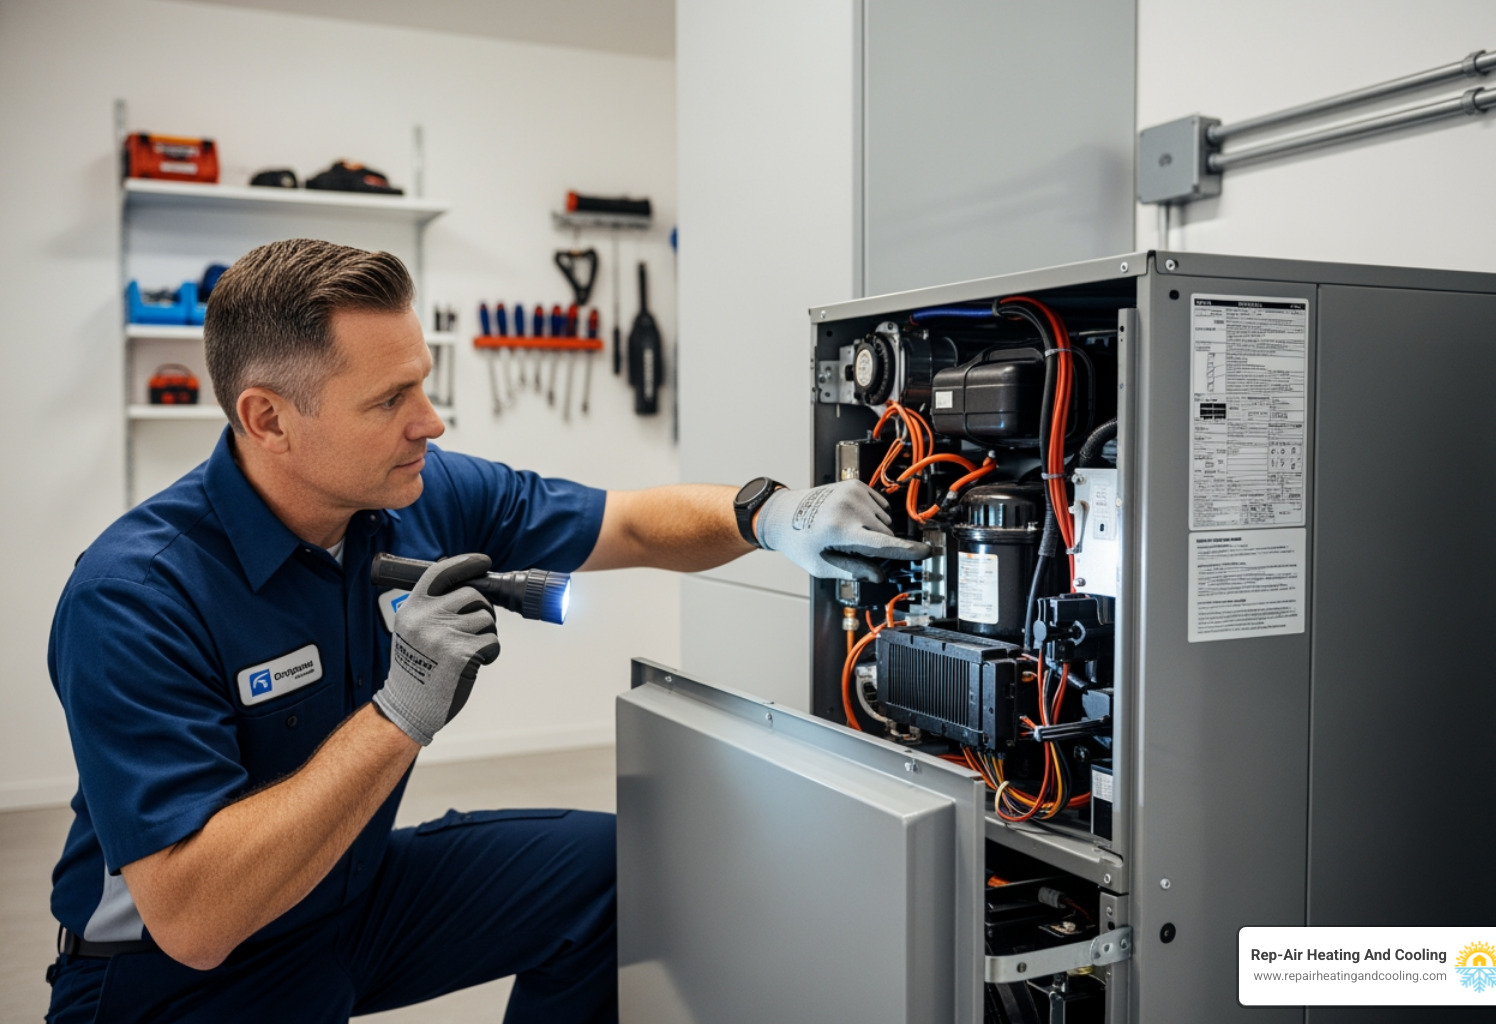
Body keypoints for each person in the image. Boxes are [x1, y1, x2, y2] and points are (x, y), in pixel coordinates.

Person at [44, 238, 928, 1023]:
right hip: (174, 977)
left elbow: (629, 524)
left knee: (612, 871)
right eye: (389, 399)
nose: (429, 421)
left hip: (350, 897)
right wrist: (400, 714)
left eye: (423, 383)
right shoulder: (135, 595)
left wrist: (773, 514)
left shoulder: (422, 491)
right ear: (268, 418)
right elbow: (196, 920)